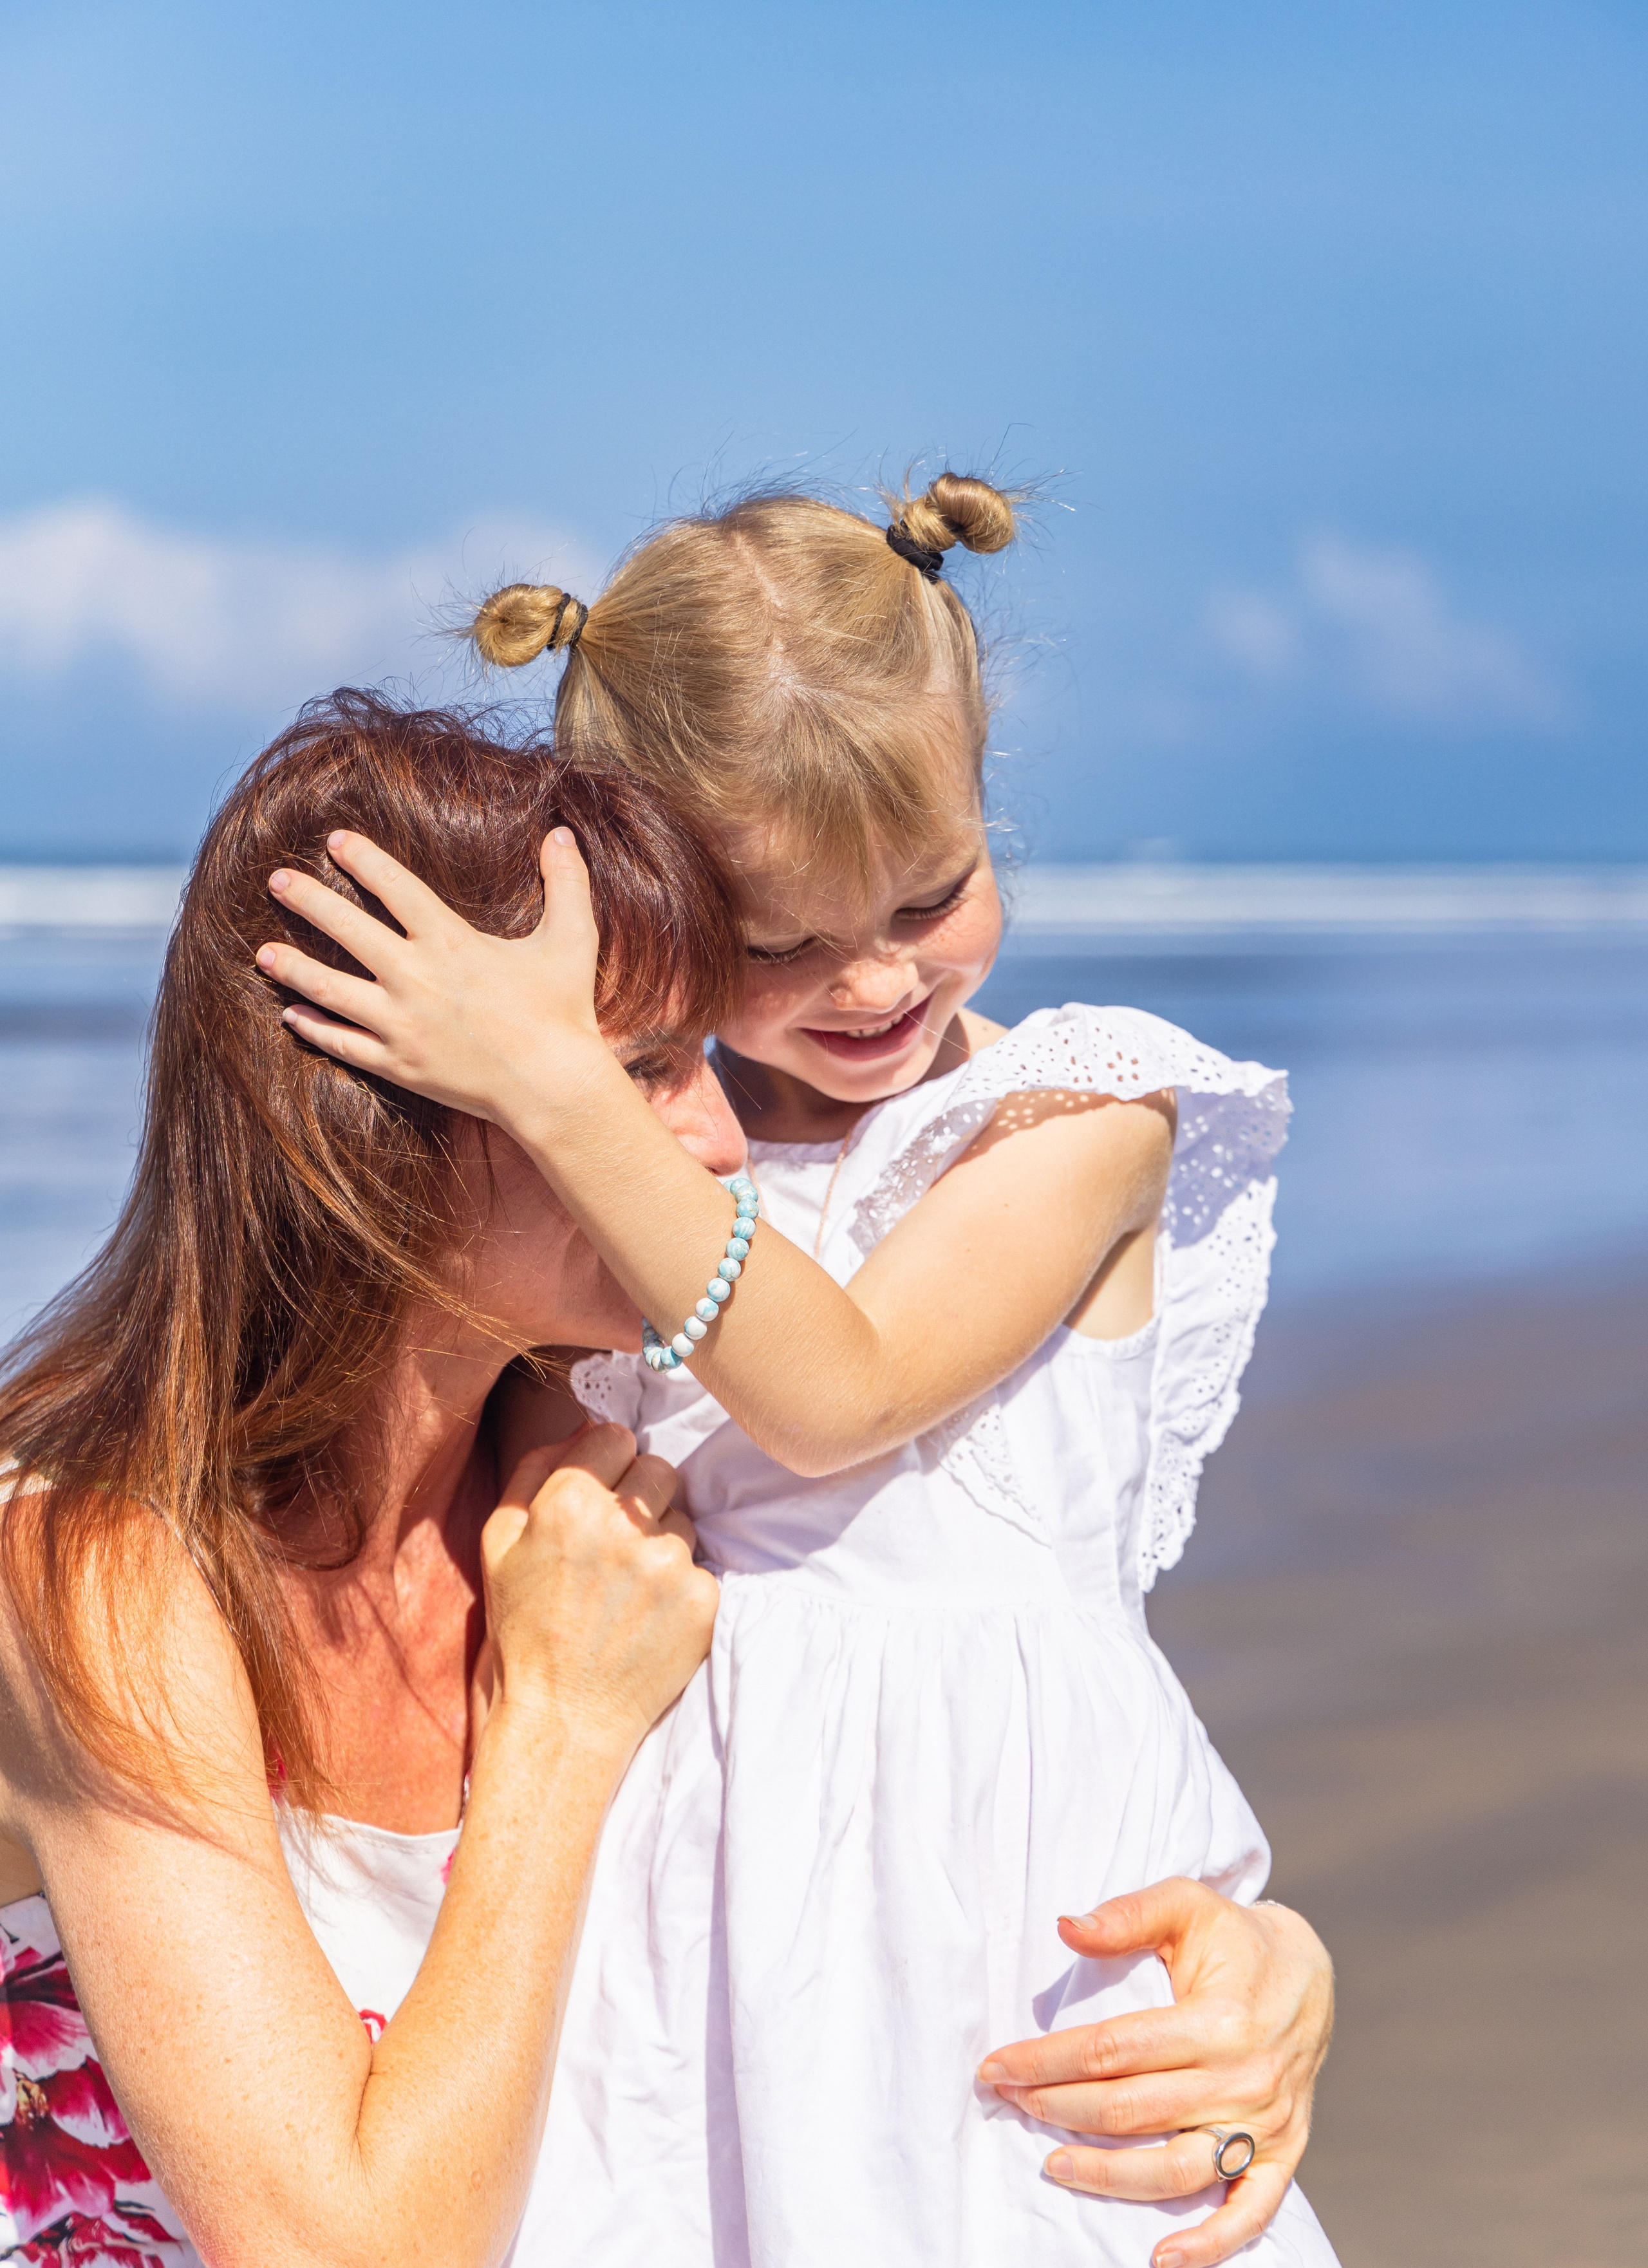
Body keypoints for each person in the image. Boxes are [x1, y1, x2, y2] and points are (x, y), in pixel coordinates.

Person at [256, 476, 1339, 2267]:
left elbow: (833, 1390)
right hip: (681, 1923)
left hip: (1000, 1922)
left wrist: (552, 1081)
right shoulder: (640, 1171)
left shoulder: (1075, 1114)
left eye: (938, 890)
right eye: (779, 943)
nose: (876, 979)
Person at [0, 694, 728, 2267]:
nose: (720, 1140)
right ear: (374, 1107)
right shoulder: (96, 1564)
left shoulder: (616, 1475)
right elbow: (342, 2251)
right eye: (641, 1073)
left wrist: (1246, 1970)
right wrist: (557, 1729)